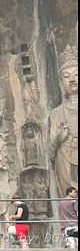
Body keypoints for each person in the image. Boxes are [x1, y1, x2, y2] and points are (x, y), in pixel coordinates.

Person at [50, 44, 78, 196]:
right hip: (65, 159)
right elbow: (51, 151)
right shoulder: (57, 112)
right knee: (68, 197)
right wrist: (59, 138)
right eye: (67, 76)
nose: (72, 80)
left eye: (76, 75)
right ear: (62, 81)